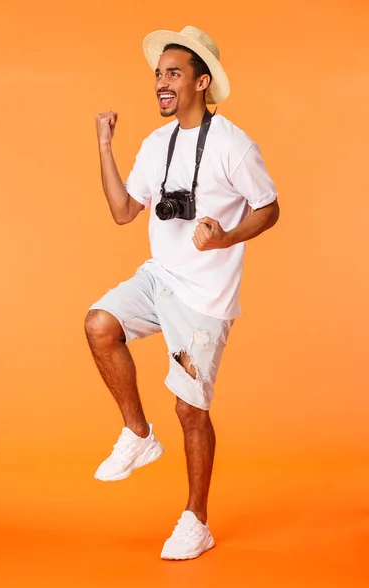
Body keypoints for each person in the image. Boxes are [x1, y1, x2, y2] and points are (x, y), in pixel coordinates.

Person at [85, 25, 280, 561]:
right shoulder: (155, 144)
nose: (162, 84)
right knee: (99, 323)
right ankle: (138, 433)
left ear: (202, 81)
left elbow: (269, 206)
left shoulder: (233, 145)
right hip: (160, 278)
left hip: (204, 299)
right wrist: (104, 146)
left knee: (191, 410)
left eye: (173, 74)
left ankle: (197, 519)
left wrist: (227, 237)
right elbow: (125, 212)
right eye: (158, 75)